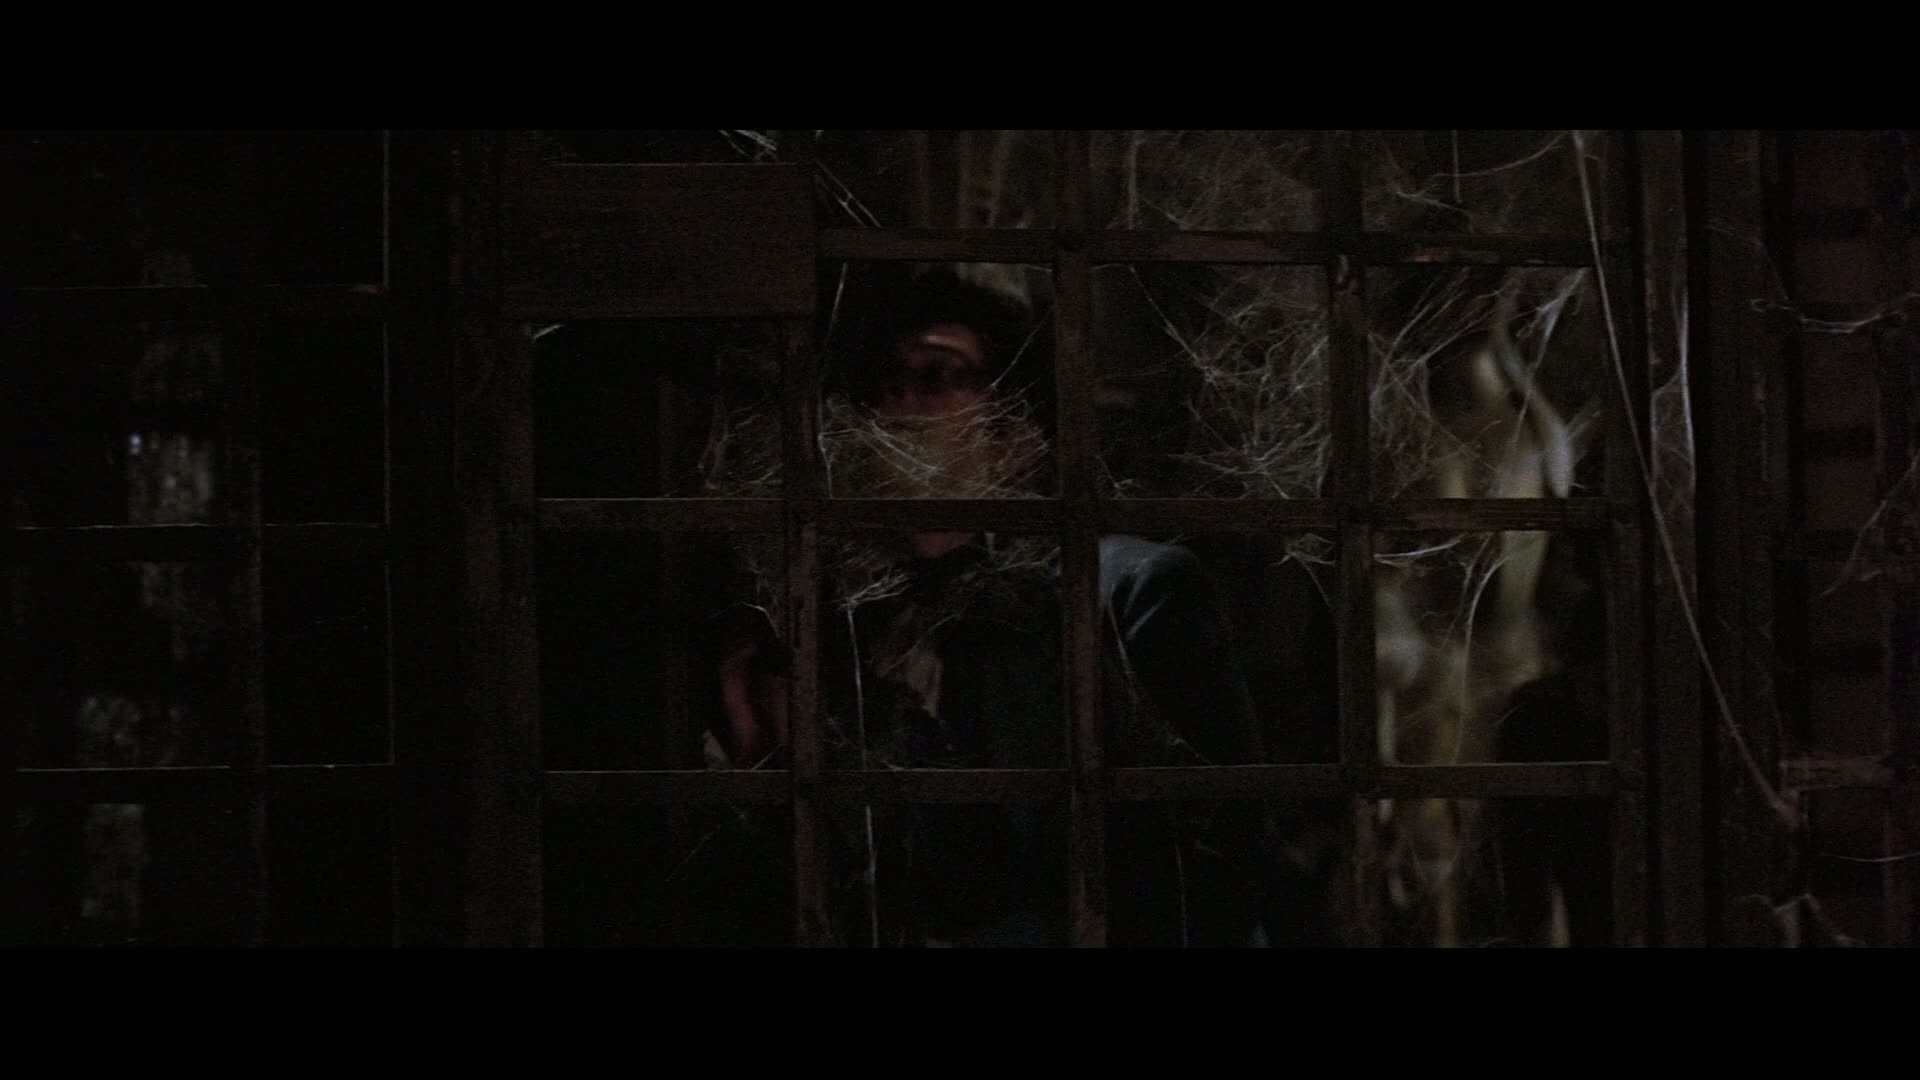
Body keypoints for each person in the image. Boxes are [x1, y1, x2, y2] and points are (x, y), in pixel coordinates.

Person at [710, 267, 1288, 946]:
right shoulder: (839, 629)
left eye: (936, 375)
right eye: (884, 383)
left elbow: (1217, 858)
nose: (900, 401)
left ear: (1013, 434)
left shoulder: (1128, 591)